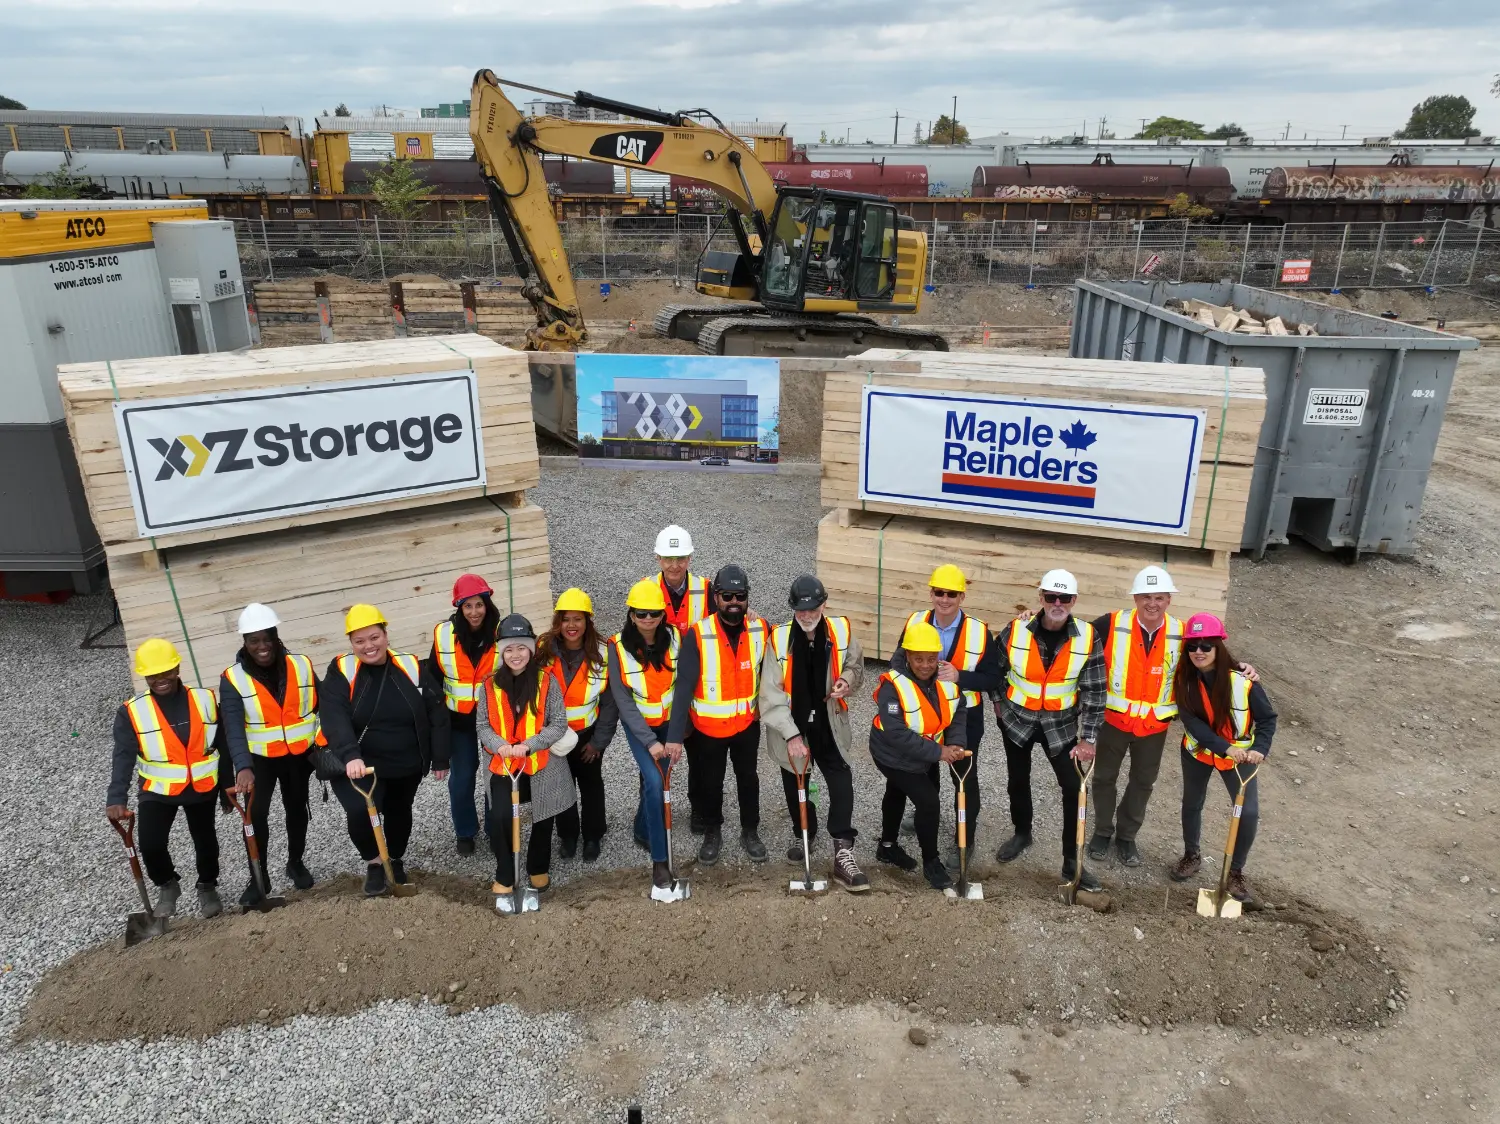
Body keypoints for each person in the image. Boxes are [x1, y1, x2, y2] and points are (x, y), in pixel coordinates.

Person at [982, 569, 1107, 892]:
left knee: (1074, 789)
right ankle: (1022, 833)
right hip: (1017, 720)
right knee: (1017, 781)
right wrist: (998, 703)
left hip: (1061, 726)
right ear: (1041, 598)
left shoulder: (1088, 636)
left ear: (1074, 601)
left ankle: (1070, 861)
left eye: (1064, 598)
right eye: (1051, 597)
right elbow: (995, 668)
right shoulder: (1016, 629)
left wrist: (1088, 737)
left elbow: (1095, 690)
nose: (1057, 603)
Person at [106, 638, 247, 919]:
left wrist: (225, 788)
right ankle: (168, 884)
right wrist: (116, 798)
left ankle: (207, 886)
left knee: (205, 841)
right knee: (151, 843)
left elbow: (223, 745)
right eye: (153, 674)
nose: (160, 679)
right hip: (158, 789)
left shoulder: (204, 699)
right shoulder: (131, 711)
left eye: (166, 672)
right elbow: (123, 756)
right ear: (145, 675)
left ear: (177, 668)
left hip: (202, 786)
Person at [321, 604, 450, 897]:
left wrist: (441, 756)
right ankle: (374, 863)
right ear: (351, 643)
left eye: (374, 637)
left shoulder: (411, 666)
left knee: (399, 812)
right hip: (359, 764)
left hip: (405, 762)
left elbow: (437, 710)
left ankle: (395, 858)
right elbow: (334, 715)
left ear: (386, 635)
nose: (368, 646)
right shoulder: (342, 669)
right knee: (359, 811)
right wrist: (350, 754)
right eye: (360, 641)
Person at [760, 574, 869, 891]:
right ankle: (805, 832)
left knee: (840, 778)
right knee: (798, 783)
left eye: (812, 608)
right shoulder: (778, 640)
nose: (806, 615)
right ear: (792, 607)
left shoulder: (841, 631)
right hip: (791, 726)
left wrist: (847, 680)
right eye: (800, 609)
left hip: (828, 723)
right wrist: (791, 736)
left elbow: (856, 664)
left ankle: (842, 849)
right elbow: (769, 694)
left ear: (824, 604)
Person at [218, 603, 324, 906]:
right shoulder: (233, 678)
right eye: (254, 641)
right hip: (259, 761)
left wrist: (324, 742)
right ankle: (258, 878)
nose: (262, 647)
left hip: (296, 756)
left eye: (267, 639)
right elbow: (233, 727)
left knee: (296, 810)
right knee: (256, 816)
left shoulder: (301, 665)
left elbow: (322, 704)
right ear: (245, 643)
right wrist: (242, 766)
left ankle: (295, 862)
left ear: (276, 637)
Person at [1169, 613, 1277, 904]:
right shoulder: (1184, 680)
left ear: (1218, 646)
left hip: (1240, 756)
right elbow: (1192, 723)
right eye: (1193, 646)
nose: (1199, 651)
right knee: (1192, 803)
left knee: (1249, 813)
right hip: (1198, 751)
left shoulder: (1244, 681)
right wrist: (1222, 747)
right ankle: (1191, 855)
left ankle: (1236, 872)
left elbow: (1267, 719)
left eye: (1206, 645)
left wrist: (1260, 749)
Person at [667, 563, 769, 866]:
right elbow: (684, 685)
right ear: (716, 597)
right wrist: (674, 737)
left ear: (748, 598)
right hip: (708, 730)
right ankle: (713, 831)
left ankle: (750, 831)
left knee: (748, 780)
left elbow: (780, 666)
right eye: (727, 596)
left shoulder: (761, 628)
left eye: (740, 596)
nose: (734, 602)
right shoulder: (699, 634)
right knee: (711, 782)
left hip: (746, 726)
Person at [1083, 565, 1183, 868]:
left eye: (1159, 598)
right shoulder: (1111, 623)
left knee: (1142, 782)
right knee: (1103, 778)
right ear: (1135, 598)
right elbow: (1074, 636)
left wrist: (1242, 667)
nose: (1152, 604)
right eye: (1145, 597)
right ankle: (1102, 831)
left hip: (1154, 727)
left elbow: (1211, 657)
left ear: (1168, 600)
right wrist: (1028, 620)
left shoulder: (1181, 632)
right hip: (1114, 722)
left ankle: (1126, 837)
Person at [889, 563, 992, 856]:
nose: (944, 599)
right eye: (939, 592)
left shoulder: (979, 631)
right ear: (931, 593)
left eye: (951, 594)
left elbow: (994, 677)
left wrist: (961, 676)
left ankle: (965, 837)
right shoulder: (916, 621)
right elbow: (898, 662)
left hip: (965, 715)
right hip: (924, 712)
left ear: (962, 597)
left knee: (964, 775)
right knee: (925, 768)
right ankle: (926, 813)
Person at [476, 614, 574, 899]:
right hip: (504, 761)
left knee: (544, 812)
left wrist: (530, 745)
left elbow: (558, 723)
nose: (515, 655)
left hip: (539, 758)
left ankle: (537, 866)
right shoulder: (490, 684)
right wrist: (499, 745)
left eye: (521, 648)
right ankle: (505, 871)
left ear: (530, 650)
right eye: (509, 649)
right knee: (502, 814)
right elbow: (482, 726)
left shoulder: (547, 681)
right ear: (501, 652)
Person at [869, 621, 969, 891]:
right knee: (928, 802)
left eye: (931, 659)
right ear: (907, 656)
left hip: (925, 754)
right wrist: (940, 752)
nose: (926, 665)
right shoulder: (893, 685)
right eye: (919, 659)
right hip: (892, 754)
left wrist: (957, 742)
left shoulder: (944, 681)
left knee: (897, 792)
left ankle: (887, 846)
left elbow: (959, 709)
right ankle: (931, 861)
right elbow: (896, 733)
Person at [609, 579, 683, 894]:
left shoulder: (676, 638)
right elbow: (623, 700)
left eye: (654, 613)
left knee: (652, 781)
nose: (648, 619)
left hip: (668, 726)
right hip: (641, 728)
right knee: (655, 783)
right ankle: (659, 860)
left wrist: (674, 735)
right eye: (641, 614)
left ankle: (642, 827)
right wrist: (650, 742)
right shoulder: (617, 646)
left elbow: (682, 687)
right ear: (631, 615)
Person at [538, 588, 619, 862]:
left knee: (591, 785)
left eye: (578, 619)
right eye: (566, 619)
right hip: (554, 736)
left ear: (587, 622)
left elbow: (609, 704)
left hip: (587, 735)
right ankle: (568, 835)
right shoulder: (543, 651)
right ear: (558, 622)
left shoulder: (603, 653)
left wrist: (599, 742)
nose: (571, 626)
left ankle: (593, 836)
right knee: (562, 786)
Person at [425, 573, 499, 855]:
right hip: (458, 722)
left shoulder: (500, 632)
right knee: (462, 778)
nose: (474, 612)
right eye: (467, 606)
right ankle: (465, 831)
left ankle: (496, 827)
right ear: (459, 607)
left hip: (494, 720)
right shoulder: (444, 634)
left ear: (487, 603)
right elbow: (433, 677)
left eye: (478, 604)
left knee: (495, 778)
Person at [651, 524, 711, 635]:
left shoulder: (707, 588)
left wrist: (745, 610)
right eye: (668, 559)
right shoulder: (646, 587)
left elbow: (727, 616)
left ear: (689, 558)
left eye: (680, 558)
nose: (674, 566)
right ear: (658, 558)